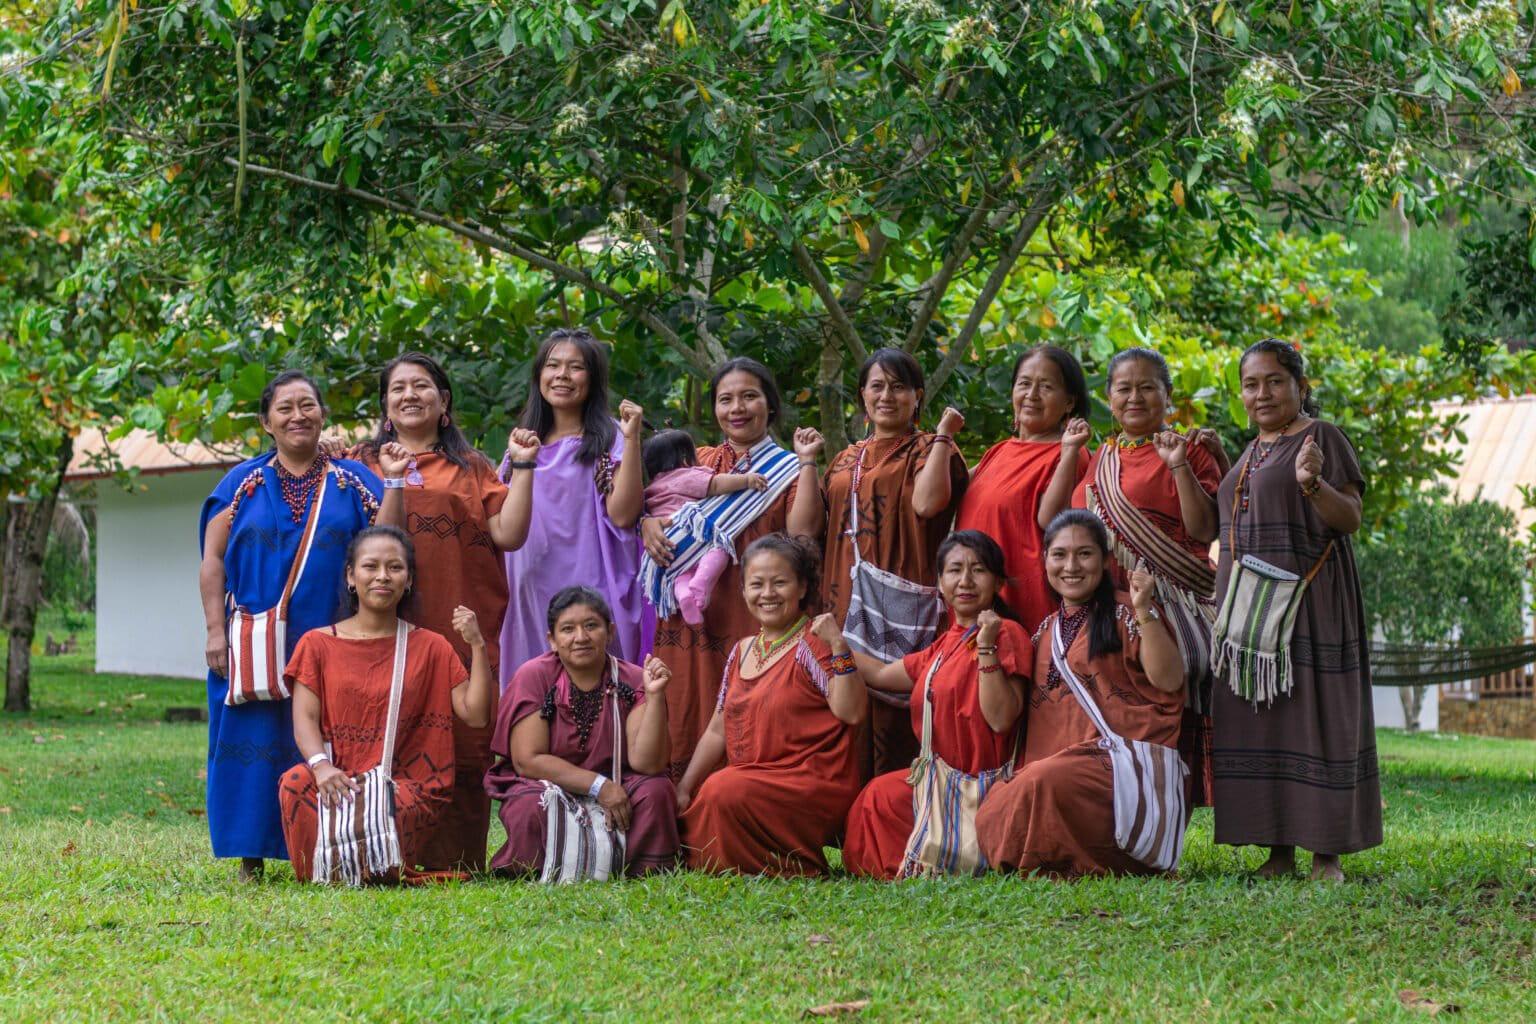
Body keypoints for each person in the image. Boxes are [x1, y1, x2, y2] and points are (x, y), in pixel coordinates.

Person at [198, 370, 382, 882]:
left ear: (323, 414)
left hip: (331, 640)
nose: (297, 416)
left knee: (332, 738)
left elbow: (390, 549)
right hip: (254, 642)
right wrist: (216, 632)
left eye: (307, 405)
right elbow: (212, 561)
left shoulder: (354, 482)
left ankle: (332, 845)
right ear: (266, 422)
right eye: (285, 408)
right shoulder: (241, 484)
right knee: (249, 741)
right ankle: (249, 855)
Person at [1210, 339, 1380, 881]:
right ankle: (1278, 852)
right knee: (1265, 721)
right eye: (1251, 384)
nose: (1262, 393)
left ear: (1300, 387)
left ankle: (1325, 853)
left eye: (1274, 381)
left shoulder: (1321, 436)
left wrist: (1312, 486)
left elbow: (1349, 516)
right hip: (1251, 611)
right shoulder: (1251, 448)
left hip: (1308, 604)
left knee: (1317, 718)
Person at [358, 351, 533, 873]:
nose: (409, 395)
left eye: (422, 386)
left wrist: (522, 465)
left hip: (461, 624)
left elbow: (509, 533)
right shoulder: (357, 463)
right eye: (398, 388)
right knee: (387, 729)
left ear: (444, 402)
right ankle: (382, 853)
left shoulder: (471, 467)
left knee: (463, 735)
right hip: (384, 628)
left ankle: (458, 860)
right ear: (386, 405)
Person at [1042, 346, 1227, 804]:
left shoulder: (1192, 450)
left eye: (1148, 388)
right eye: (1124, 388)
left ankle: (1168, 818)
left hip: (1175, 604)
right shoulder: (1099, 458)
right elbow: (1056, 521)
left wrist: (1178, 464)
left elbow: (1205, 528)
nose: (1135, 397)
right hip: (1114, 609)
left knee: (1170, 707)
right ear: (1108, 396)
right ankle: (1119, 812)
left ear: (1168, 398)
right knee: (1121, 711)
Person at [277, 526, 496, 883]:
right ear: (351, 575)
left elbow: (475, 714)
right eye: (370, 566)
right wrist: (321, 768)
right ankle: (336, 870)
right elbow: (305, 717)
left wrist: (477, 645)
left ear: (408, 580)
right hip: (336, 778)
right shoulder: (316, 644)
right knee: (294, 783)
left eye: (395, 568)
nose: (383, 576)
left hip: (405, 787)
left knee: (384, 804)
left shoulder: (432, 646)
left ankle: (358, 870)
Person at [642, 358, 826, 778]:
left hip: (752, 614)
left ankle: (734, 816)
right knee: (683, 705)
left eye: (749, 397)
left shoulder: (788, 470)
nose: (737, 408)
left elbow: (803, 534)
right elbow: (653, 499)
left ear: (770, 405)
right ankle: (675, 818)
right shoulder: (699, 461)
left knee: (743, 711)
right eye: (726, 399)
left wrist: (808, 463)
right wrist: (646, 523)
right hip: (687, 614)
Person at [976, 510, 1186, 878]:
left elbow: (1168, 680)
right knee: (995, 804)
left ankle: (1093, 860)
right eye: (1059, 555)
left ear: (1105, 561)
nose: (1071, 566)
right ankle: (1062, 861)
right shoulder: (1044, 631)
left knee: (1042, 781)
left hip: (1121, 771)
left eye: (1084, 554)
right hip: (1058, 771)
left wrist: (1144, 612)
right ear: (1044, 561)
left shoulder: (1128, 613)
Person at [842, 531, 1030, 879]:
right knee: (877, 798)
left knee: (881, 800)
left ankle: (928, 863)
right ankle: (905, 870)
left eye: (978, 570)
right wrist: (831, 646)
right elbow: (882, 674)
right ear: (940, 584)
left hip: (984, 785)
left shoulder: (1008, 634)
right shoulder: (944, 645)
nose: (965, 581)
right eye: (954, 570)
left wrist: (986, 646)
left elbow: (1002, 718)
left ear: (998, 582)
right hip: (938, 782)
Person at [677, 534, 866, 876]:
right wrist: (685, 786)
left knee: (723, 790)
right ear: (744, 591)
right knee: (706, 796)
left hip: (808, 781)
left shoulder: (815, 641)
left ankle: (791, 866)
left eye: (780, 583)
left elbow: (851, 712)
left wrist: (839, 645)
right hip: (752, 782)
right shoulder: (742, 650)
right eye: (756, 584)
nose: (767, 594)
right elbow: (718, 729)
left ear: (803, 587)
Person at [819, 348, 969, 777]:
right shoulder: (846, 457)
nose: (887, 396)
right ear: (862, 396)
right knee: (843, 708)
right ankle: (846, 828)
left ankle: (899, 820)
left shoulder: (931, 449)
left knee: (896, 718)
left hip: (905, 600)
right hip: (842, 596)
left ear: (917, 396)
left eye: (899, 387)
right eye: (877, 386)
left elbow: (927, 504)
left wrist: (942, 435)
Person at [483, 587, 679, 878]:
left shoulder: (635, 678)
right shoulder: (534, 676)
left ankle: (638, 867)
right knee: (529, 805)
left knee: (655, 791)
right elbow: (528, 760)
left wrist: (654, 697)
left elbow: (647, 764)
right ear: (551, 639)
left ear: (609, 632)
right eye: (567, 629)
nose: (581, 637)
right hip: (551, 784)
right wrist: (599, 787)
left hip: (619, 782)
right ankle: (533, 869)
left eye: (591, 626)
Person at [499, 327, 649, 671]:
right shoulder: (520, 447)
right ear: (539, 375)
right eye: (553, 365)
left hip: (592, 586)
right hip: (529, 592)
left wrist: (632, 440)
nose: (562, 375)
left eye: (575, 367)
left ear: (593, 379)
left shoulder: (611, 437)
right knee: (534, 692)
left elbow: (624, 515)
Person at [955, 345, 1092, 633]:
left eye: (1046, 386)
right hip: (972, 601)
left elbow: (1050, 520)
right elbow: (948, 489)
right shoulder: (1000, 450)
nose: (1031, 395)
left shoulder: (1070, 452)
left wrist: (1068, 451)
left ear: (1069, 402)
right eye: (1024, 384)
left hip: (1023, 609)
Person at [641, 428, 769, 627]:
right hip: (688, 532)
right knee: (720, 547)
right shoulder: (686, 476)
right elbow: (716, 485)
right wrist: (747, 480)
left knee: (681, 574)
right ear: (685, 458)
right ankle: (701, 584)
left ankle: (684, 595)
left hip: (663, 543)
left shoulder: (651, 488)